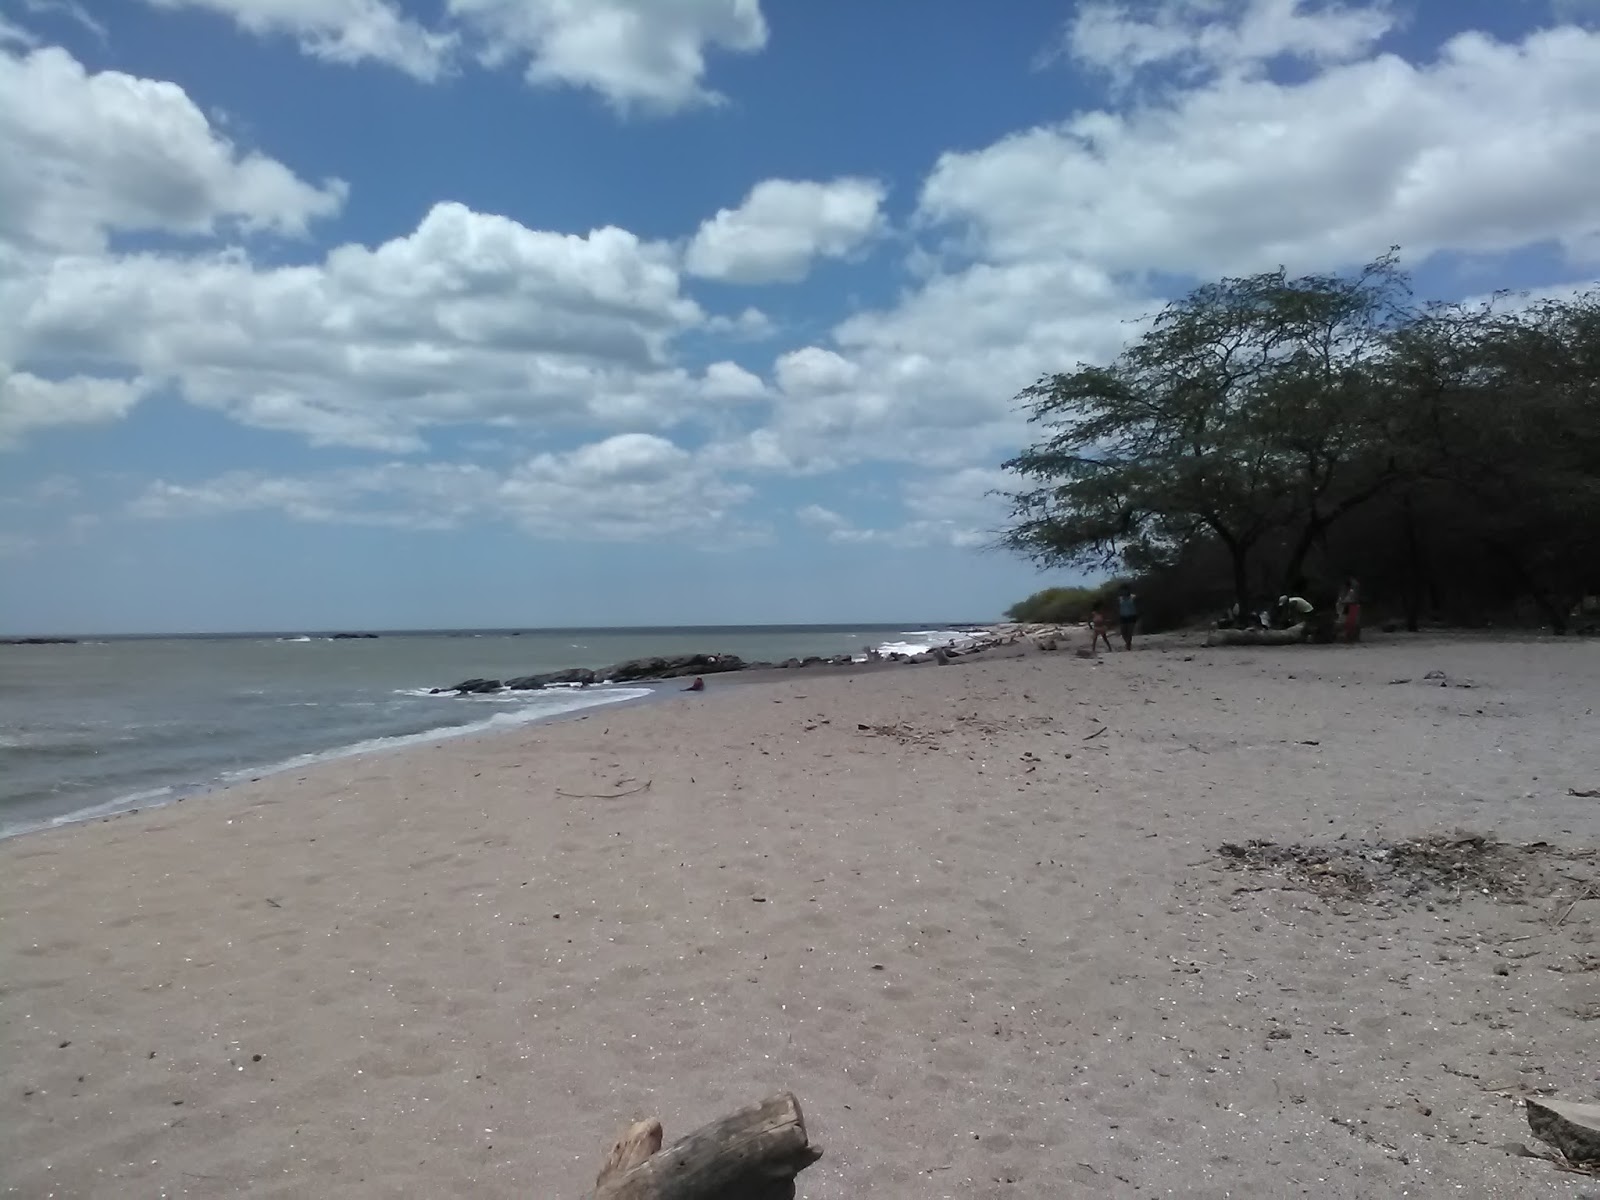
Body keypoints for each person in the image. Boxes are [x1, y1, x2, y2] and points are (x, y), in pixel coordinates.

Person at [1338, 576, 1362, 642]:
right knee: (1349, 621)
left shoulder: (1352, 588)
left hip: (1352, 604)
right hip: (1349, 605)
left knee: (1352, 621)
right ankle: (1349, 636)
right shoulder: (1347, 588)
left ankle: (1351, 636)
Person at [1116, 585, 1139, 650]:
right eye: (1122, 590)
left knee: (1129, 632)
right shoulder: (1120, 599)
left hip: (1131, 616)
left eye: (1125, 590)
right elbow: (1117, 608)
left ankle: (1128, 645)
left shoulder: (1133, 597)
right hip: (1122, 616)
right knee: (1123, 632)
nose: (1124, 592)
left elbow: (1137, 606)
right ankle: (1127, 642)